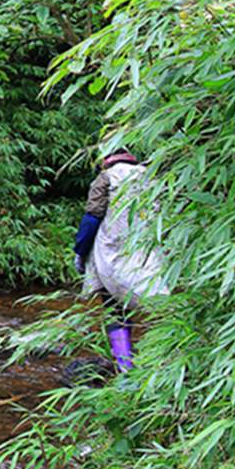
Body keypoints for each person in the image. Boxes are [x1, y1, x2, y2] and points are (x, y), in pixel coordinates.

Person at [73, 149, 169, 372]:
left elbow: (91, 219)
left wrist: (80, 251)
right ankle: (165, 363)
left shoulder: (106, 178)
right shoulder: (150, 176)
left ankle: (124, 366)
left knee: (114, 310)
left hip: (112, 252)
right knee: (159, 308)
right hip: (147, 254)